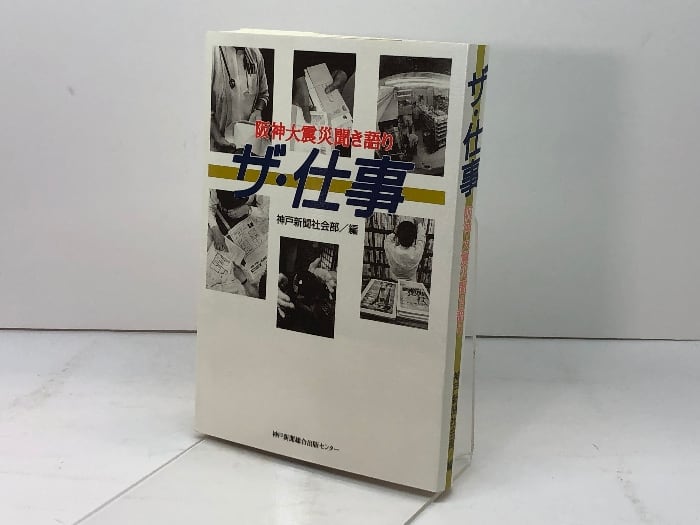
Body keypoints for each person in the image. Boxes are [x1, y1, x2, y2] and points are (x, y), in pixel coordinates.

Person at [207, 190, 268, 298]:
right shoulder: (216, 189)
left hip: (251, 219)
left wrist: (248, 209)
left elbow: (268, 212)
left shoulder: (260, 190)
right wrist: (215, 229)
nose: (232, 211)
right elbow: (209, 207)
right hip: (225, 226)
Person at [211, 47, 269, 153]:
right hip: (218, 145)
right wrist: (218, 137)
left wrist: (258, 110)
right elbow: (201, 106)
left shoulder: (255, 54)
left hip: (249, 143)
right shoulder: (214, 53)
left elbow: (263, 94)